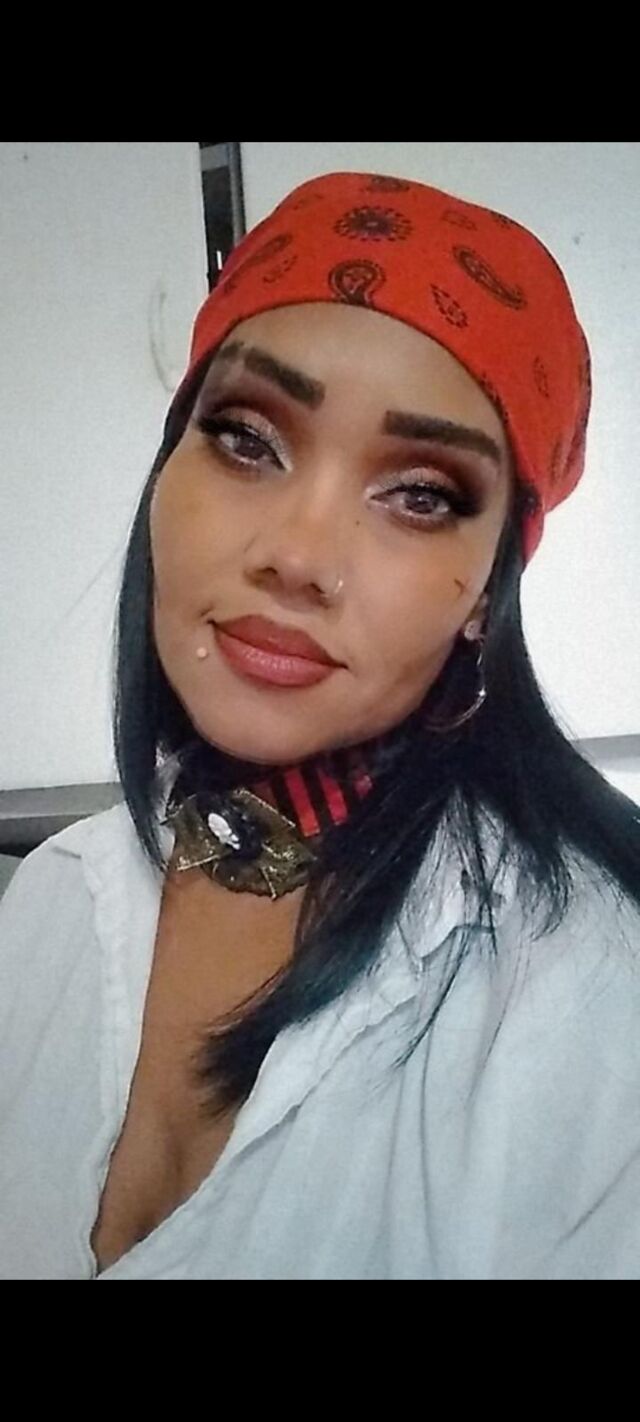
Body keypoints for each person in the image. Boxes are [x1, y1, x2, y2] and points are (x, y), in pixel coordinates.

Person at [1, 169, 639, 1281]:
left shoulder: (592, 990)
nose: (297, 555)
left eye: (421, 493)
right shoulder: (51, 899)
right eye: (247, 438)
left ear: (486, 590)